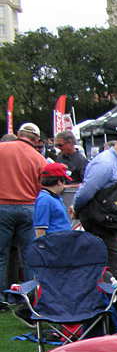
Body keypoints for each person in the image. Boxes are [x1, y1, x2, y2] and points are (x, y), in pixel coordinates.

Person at [71, 131, 117, 273]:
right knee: (113, 262)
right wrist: (76, 208)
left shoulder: (114, 162)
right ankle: (112, 291)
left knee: (106, 260)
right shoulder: (106, 164)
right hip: (100, 222)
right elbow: (86, 191)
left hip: (106, 221)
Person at [0, 122, 49, 286]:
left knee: (1, 255)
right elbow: (43, 187)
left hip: (2, 206)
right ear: (36, 140)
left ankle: (1, 299)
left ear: (19, 133)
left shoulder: (2, 149)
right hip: (29, 207)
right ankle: (29, 296)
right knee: (30, 254)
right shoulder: (39, 159)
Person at [34, 163, 73, 237]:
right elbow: (40, 229)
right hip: (52, 245)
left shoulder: (53, 197)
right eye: (64, 182)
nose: (64, 186)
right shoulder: (45, 200)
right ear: (59, 182)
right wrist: (42, 247)